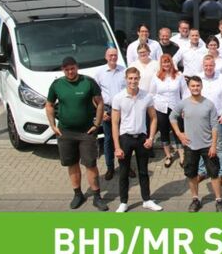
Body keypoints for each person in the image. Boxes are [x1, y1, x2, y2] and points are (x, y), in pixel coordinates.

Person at [44, 56, 108, 211]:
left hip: (86, 132)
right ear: (63, 70)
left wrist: (97, 124)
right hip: (66, 132)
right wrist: (52, 125)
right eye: (67, 69)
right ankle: (78, 194)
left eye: (72, 68)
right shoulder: (57, 85)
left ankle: (97, 196)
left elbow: (100, 103)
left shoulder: (88, 82)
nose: (70, 72)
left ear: (77, 67)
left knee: (90, 164)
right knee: (71, 164)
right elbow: (49, 105)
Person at [170, 76, 222, 212]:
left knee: (214, 173)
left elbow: (215, 126)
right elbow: (172, 117)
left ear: (201, 86)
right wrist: (179, 133)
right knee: (192, 174)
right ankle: (195, 199)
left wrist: (213, 145)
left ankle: (219, 200)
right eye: (193, 86)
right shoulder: (183, 104)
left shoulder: (209, 104)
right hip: (190, 146)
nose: (195, 88)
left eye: (198, 85)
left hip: (207, 145)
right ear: (189, 88)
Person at [111, 67, 162, 213]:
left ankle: (147, 200)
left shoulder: (147, 96)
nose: (133, 81)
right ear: (126, 79)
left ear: (139, 79)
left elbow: (153, 118)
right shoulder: (118, 98)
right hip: (125, 139)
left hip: (141, 138)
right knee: (123, 172)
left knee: (143, 171)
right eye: (130, 78)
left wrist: (151, 138)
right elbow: (114, 123)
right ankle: (123, 202)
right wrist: (117, 147)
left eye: (135, 78)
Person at [94, 48, 131, 181]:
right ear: (106, 57)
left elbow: (129, 90)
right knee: (109, 139)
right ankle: (110, 167)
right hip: (108, 110)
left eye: (115, 55)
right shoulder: (100, 73)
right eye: (110, 55)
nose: (113, 57)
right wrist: (101, 111)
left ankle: (126, 166)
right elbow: (95, 95)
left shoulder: (124, 71)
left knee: (124, 139)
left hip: (122, 109)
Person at [149, 54, 189, 168]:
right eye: (164, 62)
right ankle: (168, 155)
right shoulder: (156, 76)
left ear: (171, 63)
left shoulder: (179, 75)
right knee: (164, 132)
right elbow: (152, 93)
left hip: (175, 107)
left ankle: (182, 155)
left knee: (178, 131)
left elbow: (185, 92)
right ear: (161, 64)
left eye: (168, 62)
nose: (166, 64)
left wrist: (184, 108)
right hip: (161, 108)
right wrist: (154, 106)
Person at [198, 55, 222, 187]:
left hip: (218, 118)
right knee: (202, 146)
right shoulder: (198, 78)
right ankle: (202, 171)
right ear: (203, 66)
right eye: (206, 65)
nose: (208, 68)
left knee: (219, 147)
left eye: (211, 65)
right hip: (201, 119)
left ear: (214, 66)